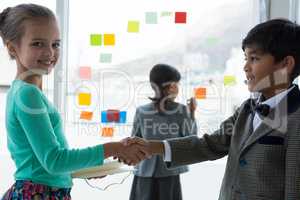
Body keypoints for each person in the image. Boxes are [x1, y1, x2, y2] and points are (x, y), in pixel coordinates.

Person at [125, 18, 300, 200]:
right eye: (245, 58)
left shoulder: (297, 119)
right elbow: (209, 144)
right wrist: (152, 147)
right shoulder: (246, 109)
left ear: (285, 64)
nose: (245, 67)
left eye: (254, 59)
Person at [0, 4, 148, 199]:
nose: (50, 53)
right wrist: (114, 148)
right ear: (13, 48)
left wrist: (90, 166)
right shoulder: (28, 95)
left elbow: (44, 166)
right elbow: (54, 161)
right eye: (37, 43)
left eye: (55, 44)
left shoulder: (23, 91)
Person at [129, 64, 197, 200]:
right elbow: (192, 140)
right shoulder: (182, 111)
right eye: (177, 84)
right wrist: (192, 113)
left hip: (144, 173)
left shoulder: (142, 111)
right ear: (171, 86)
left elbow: (134, 142)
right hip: (169, 173)